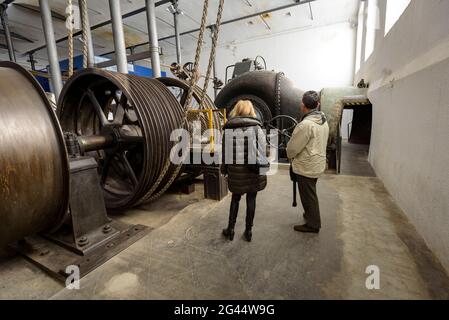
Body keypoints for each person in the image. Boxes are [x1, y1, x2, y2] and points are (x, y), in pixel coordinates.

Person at [221, 100, 269, 242]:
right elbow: (263, 152)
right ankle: (248, 231)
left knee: (235, 198)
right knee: (251, 199)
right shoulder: (257, 129)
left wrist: (224, 170)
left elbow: (226, 154)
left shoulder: (229, 129)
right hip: (253, 171)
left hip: (236, 172)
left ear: (237, 110)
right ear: (251, 111)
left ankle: (230, 229)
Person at [286, 91, 329, 234]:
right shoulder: (323, 120)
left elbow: (292, 148)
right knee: (310, 192)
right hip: (317, 163)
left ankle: (313, 224)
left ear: (303, 105)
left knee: (308, 196)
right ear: (318, 105)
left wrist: (289, 155)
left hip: (306, 166)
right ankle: (310, 215)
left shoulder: (305, 125)